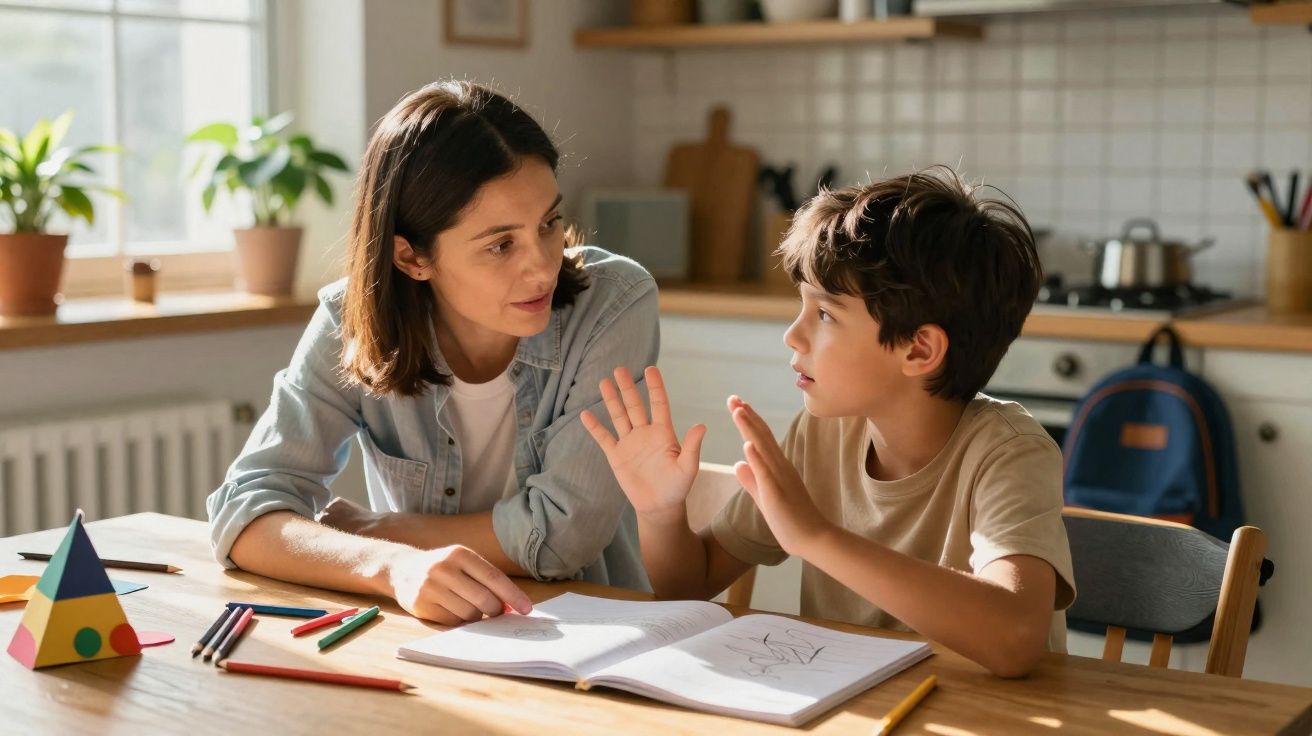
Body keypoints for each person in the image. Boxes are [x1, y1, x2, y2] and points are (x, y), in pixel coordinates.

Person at [581, 167, 1076, 677]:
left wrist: (815, 537)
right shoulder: (818, 436)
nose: (792, 336)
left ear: (919, 348)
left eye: (825, 314)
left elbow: (1015, 638)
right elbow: (688, 586)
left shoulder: (1009, 453)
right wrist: (661, 513)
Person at [207, 80, 657, 625]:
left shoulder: (612, 304)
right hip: (429, 634)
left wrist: (379, 529)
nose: (542, 265)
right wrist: (391, 566)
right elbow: (243, 512)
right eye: (500, 244)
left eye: (549, 223)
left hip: (596, 632)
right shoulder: (350, 319)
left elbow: (564, 535)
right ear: (412, 258)